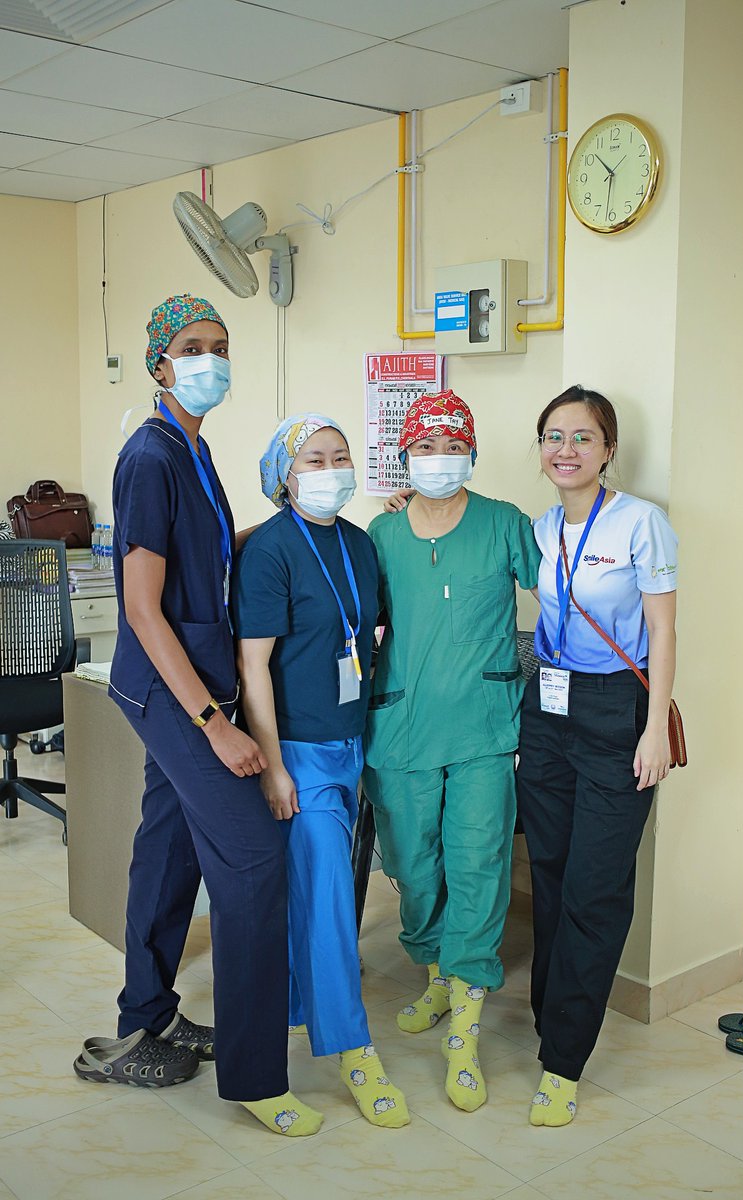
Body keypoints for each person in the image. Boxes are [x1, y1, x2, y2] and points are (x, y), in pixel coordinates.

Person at [73, 295, 322, 1138]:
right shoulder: (150, 457)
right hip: (174, 690)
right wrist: (215, 721)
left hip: (186, 680)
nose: (210, 359)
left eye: (220, 345)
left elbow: (207, 559)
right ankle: (256, 1075)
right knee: (253, 859)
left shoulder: (193, 446)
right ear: (159, 363)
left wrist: (292, 519)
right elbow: (143, 608)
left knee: (170, 848)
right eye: (192, 346)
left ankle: (146, 1018)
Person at [363, 389, 541, 1112]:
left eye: (452, 446)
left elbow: (565, 595)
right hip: (401, 725)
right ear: (405, 455)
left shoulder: (505, 523)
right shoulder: (381, 533)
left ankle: (465, 1022)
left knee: (478, 862)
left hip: (483, 729)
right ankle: (435, 972)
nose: (439, 459)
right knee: (411, 863)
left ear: (472, 453)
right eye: (425, 447)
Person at [232, 414, 409, 1129]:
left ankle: (298, 1007)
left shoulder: (361, 543)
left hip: (352, 739)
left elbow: (371, 631)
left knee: (316, 890)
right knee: (333, 896)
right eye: (314, 459)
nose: (332, 469)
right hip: (299, 752)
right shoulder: (270, 551)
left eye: (340, 457)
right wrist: (273, 766)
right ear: (285, 475)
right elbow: (253, 668)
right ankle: (352, 1047)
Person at [517, 385, 678, 1127]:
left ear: (609, 449)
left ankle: (564, 1060)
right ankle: (548, 1015)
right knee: (548, 873)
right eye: (554, 436)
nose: (567, 450)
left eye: (583, 437)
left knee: (596, 886)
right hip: (548, 707)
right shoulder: (540, 528)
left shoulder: (641, 522)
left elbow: (663, 630)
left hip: (619, 709)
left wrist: (654, 728)